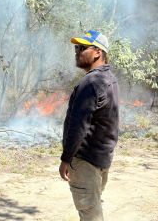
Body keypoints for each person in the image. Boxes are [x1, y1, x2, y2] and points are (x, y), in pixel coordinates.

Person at [58, 30, 119, 221]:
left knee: (91, 217)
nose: (77, 52)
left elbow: (79, 126)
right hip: (101, 160)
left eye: (82, 48)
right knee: (93, 210)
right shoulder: (110, 79)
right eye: (77, 48)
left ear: (97, 52)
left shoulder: (91, 82)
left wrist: (66, 158)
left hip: (85, 162)